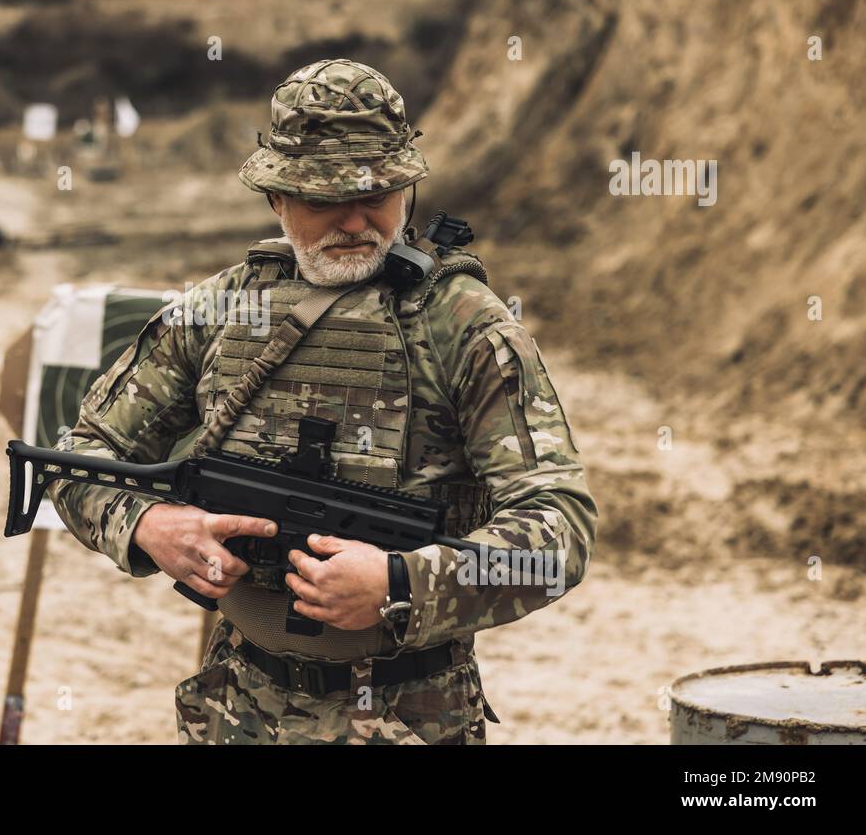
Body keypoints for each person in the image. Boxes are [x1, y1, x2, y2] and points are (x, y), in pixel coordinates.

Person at [48, 59, 598, 744]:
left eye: (378, 194)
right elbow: (78, 454)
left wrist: (402, 582)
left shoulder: (466, 327)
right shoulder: (223, 309)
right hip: (236, 705)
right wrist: (148, 524)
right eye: (325, 197)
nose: (356, 219)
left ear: (410, 189)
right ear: (277, 198)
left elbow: (558, 530)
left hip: (409, 713)